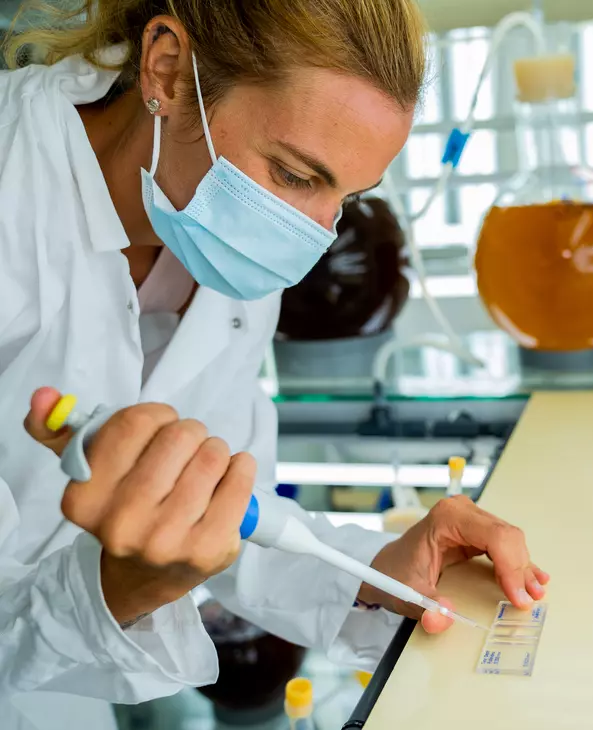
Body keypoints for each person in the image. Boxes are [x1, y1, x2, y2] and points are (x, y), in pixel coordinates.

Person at [0, 1, 549, 729]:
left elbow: (235, 511)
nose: (312, 238)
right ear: (166, 67)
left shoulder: (218, 225)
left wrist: (381, 573)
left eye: (345, 199)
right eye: (294, 174)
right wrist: (112, 591)